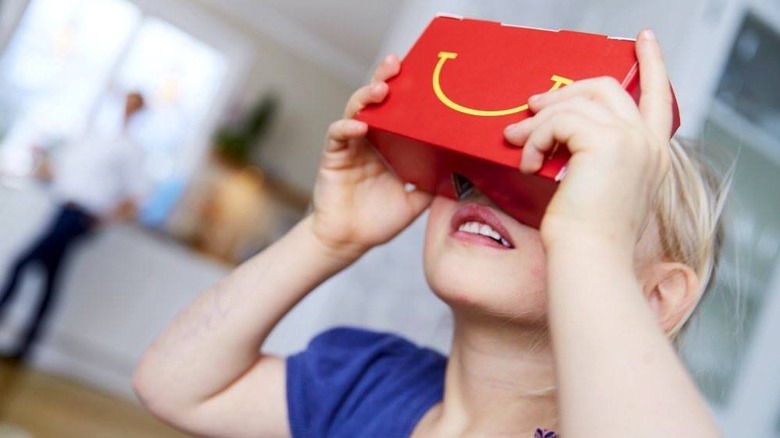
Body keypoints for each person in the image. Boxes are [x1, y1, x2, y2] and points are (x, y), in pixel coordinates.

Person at [133, 31, 727, 437]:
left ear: (656, 296)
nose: (485, 188)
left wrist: (589, 244)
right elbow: (175, 386)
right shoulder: (367, 380)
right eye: (470, 171)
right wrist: (327, 237)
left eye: (565, 188)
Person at [0, 92, 148, 361]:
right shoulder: (94, 137)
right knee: (50, 275)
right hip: (61, 210)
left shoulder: (131, 150)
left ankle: (21, 337)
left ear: (140, 112)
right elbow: (61, 171)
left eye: (133, 105)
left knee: (22, 263)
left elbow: (135, 198)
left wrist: (103, 219)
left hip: (81, 218)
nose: (127, 109)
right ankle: (26, 346)